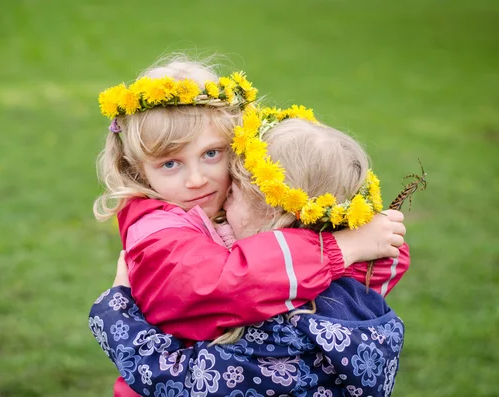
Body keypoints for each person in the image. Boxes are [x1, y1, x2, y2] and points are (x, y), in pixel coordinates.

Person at [93, 54, 409, 396]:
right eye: (170, 163)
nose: (197, 179)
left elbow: (376, 268)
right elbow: (220, 285)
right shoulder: (154, 230)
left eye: (212, 153)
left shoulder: (243, 202)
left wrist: (343, 223)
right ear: (138, 169)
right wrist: (341, 246)